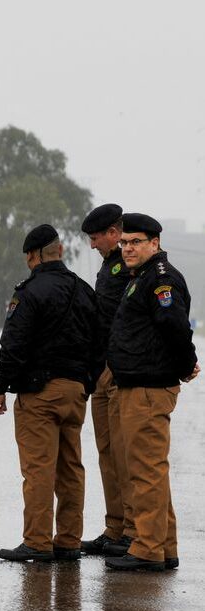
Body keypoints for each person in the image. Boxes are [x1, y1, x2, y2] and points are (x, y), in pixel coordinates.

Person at [0, 225, 100, 563]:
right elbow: (100, 342)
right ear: (61, 251)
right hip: (76, 391)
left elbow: (14, 343)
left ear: (33, 255)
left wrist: (0, 386)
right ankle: (68, 540)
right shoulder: (84, 290)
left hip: (39, 392)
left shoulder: (29, 291)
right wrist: (87, 383)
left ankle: (37, 541)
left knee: (38, 468)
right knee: (71, 468)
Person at [105, 213, 199, 571]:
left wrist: (186, 363)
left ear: (154, 244)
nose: (127, 248)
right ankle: (165, 546)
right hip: (137, 383)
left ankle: (146, 548)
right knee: (151, 472)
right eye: (124, 243)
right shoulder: (141, 277)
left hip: (148, 387)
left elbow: (174, 325)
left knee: (144, 472)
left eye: (135, 242)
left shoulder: (160, 279)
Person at [78, 204, 136, 557]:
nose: (92, 244)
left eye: (96, 237)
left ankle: (132, 530)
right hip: (101, 369)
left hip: (118, 368)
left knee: (125, 454)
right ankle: (115, 527)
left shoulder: (128, 265)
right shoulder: (108, 266)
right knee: (107, 452)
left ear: (113, 233)